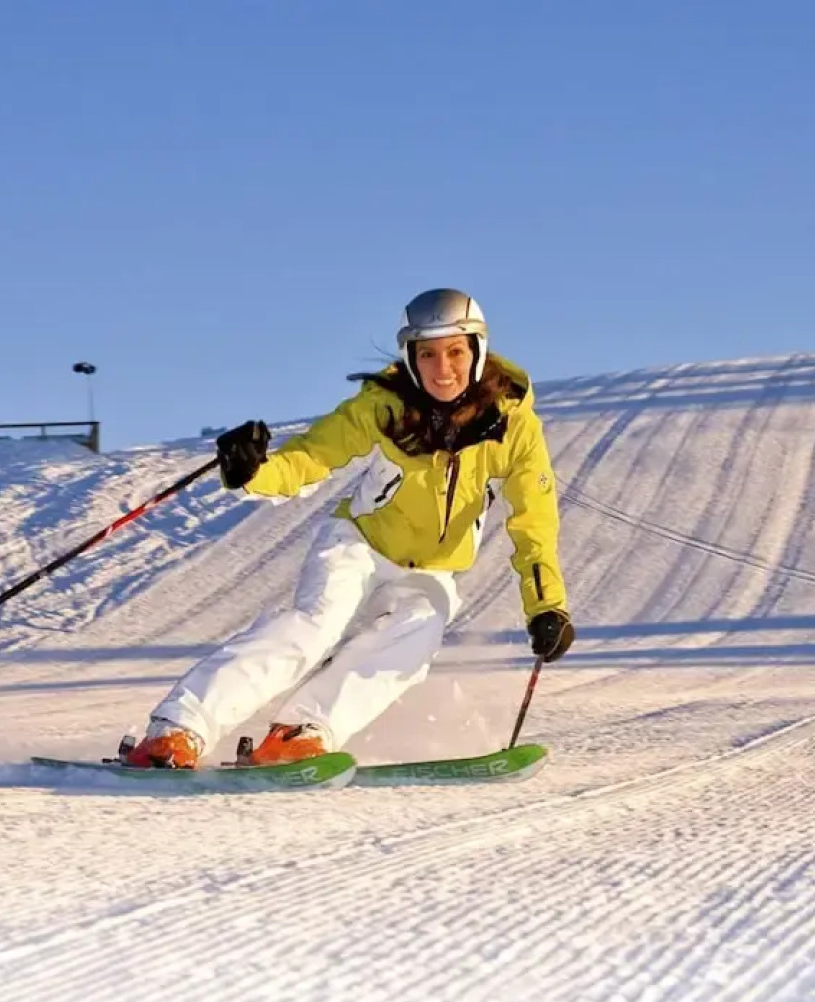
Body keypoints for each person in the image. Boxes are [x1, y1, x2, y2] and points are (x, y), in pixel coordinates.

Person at [124, 288, 575, 768]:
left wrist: (547, 605)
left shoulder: (514, 427)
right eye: (427, 354)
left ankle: (300, 732)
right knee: (315, 623)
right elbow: (313, 455)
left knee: (417, 635)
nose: (442, 368)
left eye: (455, 351)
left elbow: (534, 521)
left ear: (477, 351)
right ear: (410, 356)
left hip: (432, 570)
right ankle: (177, 729)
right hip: (358, 544)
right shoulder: (383, 406)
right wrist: (254, 471)